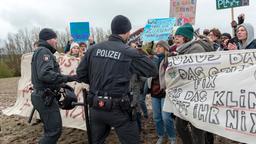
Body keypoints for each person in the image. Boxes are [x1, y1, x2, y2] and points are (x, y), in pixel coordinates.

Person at [76, 15, 158, 144]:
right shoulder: (129, 51)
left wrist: (97, 83)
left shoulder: (93, 49)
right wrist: (140, 53)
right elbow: (152, 70)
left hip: (96, 106)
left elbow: (81, 74)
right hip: (119, 109)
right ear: (127, 32)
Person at [31, 28, 78, 144]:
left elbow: (43, 76)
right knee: (54, 131)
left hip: (41, 95)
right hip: (44, 97)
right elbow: (45, 74)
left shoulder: (40, 51)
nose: (57, 41)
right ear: (49, 39)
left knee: (50, 130)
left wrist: (62, 85)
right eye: (55, 39)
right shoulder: (44, 52)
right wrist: (68, 78)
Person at [173, 23, 214, 144]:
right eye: (175, 36)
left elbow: (194, 72)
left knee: (197, 129)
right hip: (185, 96)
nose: (176, 39)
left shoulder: (196, 49)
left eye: (179, 36)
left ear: (186, 37)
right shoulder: (181, 50)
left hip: (197, 97)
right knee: (180, 126)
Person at [150, 40, 176, 144]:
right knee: (156, 117)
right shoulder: (153, 59)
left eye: (160, 47)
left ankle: (172, 137)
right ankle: (161, 135)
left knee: (166, 117)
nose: (157, 49)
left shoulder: (169, 60)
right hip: (154, 92)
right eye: (156, 47)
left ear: (165, 48)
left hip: (165, 92)